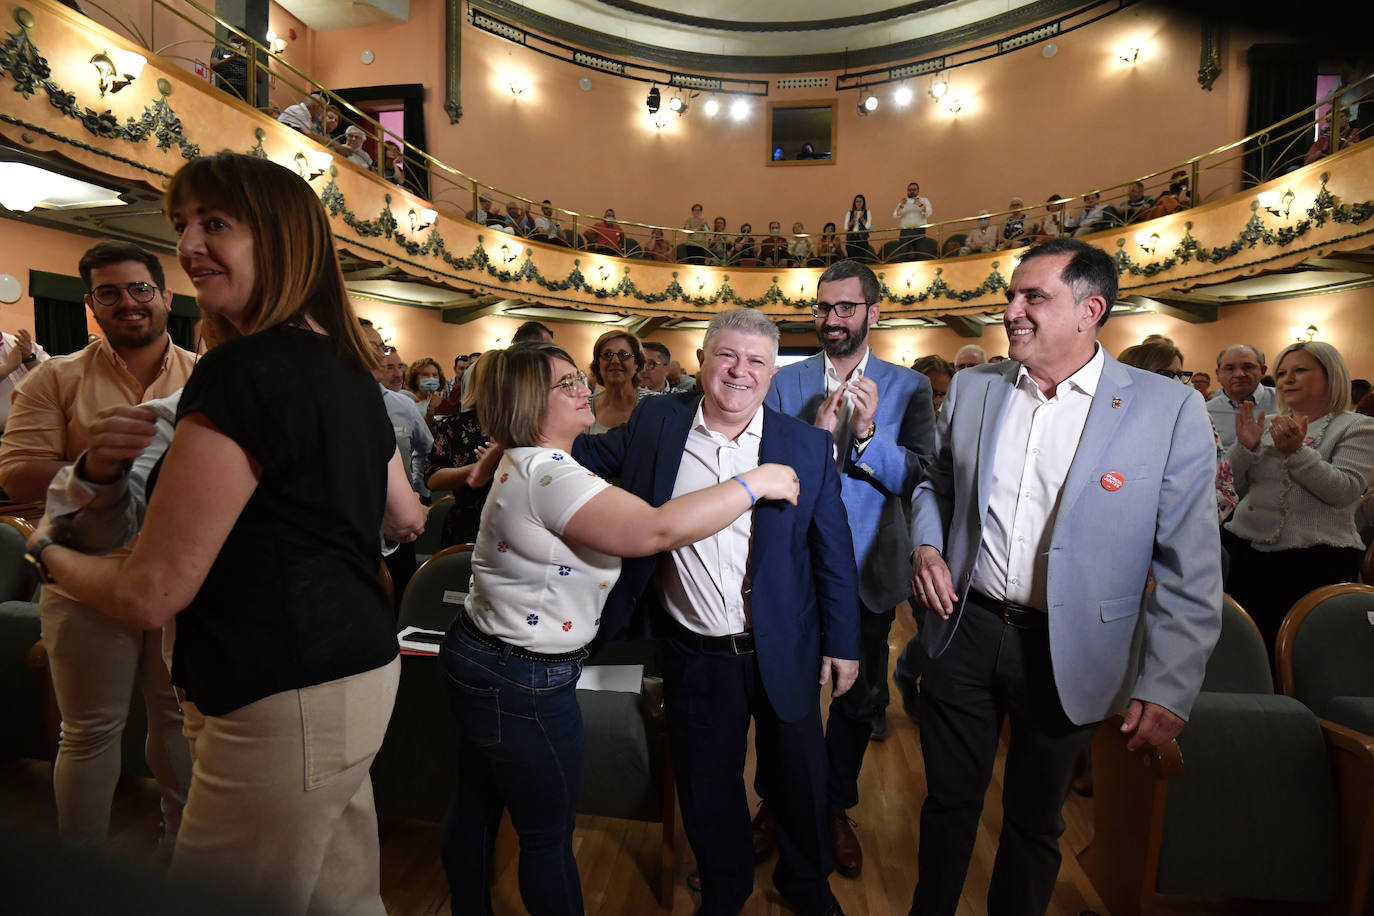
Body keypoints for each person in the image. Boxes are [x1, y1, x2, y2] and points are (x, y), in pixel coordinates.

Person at [23, 152, 427, 914]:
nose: (190, 243)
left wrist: (51, 554)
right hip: (358, 668)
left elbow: (151, 592)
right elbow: (405, 518)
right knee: (341, 898)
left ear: (280, 238)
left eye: (216, 224)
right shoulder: (348, 371)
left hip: (282, 683)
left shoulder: (241, 370)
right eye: (182, 226)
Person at [908, 238, 1222, 916]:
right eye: (1012, 295)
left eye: (1033, 297)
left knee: (1033, 820)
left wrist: (1169, 683)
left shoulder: (1166, 410)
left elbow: (1190, 564)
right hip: (966, 626)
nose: (1012, 310)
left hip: (1071, 648)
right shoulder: (974, 387)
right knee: (948, 803)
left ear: (1090, 310)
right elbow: (935, 486)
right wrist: (928, 549)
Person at [440, 342, 800, 915]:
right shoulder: (551, 476)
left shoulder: (525, 457)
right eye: (565, 386)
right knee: (545, 835)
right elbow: (655, 531)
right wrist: (754, 483)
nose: (584, 388)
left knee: (478, 799)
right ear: (532, 403)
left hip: (481, 653)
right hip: (526, 678)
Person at [572, 308, 859, 916]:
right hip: (694, 649)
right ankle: (725, 891)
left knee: (799, 781)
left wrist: (845, 642)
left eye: (757, 361)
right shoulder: (655, 422)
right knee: (707, 788)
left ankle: (806, 886)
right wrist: (507, 454)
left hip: (785, 646)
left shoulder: (806, 445)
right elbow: (579, 453)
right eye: (727, 356)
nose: (740, 372)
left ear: (771, 374)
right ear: (701, 360)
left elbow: (832, 551)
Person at [0, 240, 195, 849]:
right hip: (85, 576)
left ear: (166, 296)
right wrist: (106, 463)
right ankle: (79, 874)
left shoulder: (208, 377)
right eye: (109, 293)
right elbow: (18, 473)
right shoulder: (56, 378)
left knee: (179, 725)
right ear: (91, 306)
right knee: (86, 733)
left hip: (182, 578)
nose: (128, 303)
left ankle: (181, 858)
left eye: (140, 289)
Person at [760, 260, 935, 877]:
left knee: (858, 703)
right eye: (823, 309)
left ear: (872, 313)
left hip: (866, 570)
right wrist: (813, 436)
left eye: (845, 309)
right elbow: (759, 465)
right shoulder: (784, 381)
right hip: (792, 566)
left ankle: (834, 807)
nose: (831, 321)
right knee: (785, 693)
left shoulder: (909, 387)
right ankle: (776, 807)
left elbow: (919, 477)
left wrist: (864, 436)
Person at [1222, 341, 1374, 654]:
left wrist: (1297, 452)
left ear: (1331, 376)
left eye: (1300, 370)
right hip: (1249, 555)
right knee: (1250, 652)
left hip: (1316, 559)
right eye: (1282, 373)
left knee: (1304, 655)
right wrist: (1244, 448)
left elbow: (1344, 490)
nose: (1287, 380)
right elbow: (1230, 489)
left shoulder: (1358, 427)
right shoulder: (1267, 424)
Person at [1117, 340, 1236, 520]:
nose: (1176, 383)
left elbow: (1225, 491)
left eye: (1180, 375)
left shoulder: (1196, 419)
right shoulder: (1113, 421)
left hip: (1187, 534)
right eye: (1165, 374)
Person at [424, 354, 494, 548]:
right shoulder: (456, 425)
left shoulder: (525, 426)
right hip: (467, 526)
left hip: (517, 527)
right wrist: (482, 467)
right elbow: (433, 478)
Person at [1207, 344, 1276, 449]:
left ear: (1263, 371)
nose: (1239, 374)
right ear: (1218, 374)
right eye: (1230, 368)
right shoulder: (1206, 412)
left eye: (1248, 367)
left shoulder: (1284, 401)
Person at [588, 331, 648, 432]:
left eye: (624, 355)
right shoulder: (585, 407)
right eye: (607, 354)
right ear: (598, 364)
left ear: (636, 364)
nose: (615, 361)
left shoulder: (653, 404)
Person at [0, 327, 49, 432]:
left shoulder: (18, 343)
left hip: (35, 431)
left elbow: (52, 377)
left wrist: (29, 358)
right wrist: (8, 367)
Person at [405, 357, 447, 424]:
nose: (431, 378)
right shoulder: (406, 404)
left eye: (435, 375)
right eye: (425, 375)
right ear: (415, 379)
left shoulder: (445, 404)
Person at [893, 182, 934, 250]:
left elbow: (929, 213)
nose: (912, 191)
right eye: (909, 190)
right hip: (905, 231)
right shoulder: (903, 201)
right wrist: (901, 206)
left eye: (914, 189)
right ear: (907, 191)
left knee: (920, 252)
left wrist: (920, 205)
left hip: (919, 230)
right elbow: (895, 216)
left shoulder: (924, 200)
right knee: (903, 252)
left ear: (918, 190)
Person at [208, 32, 248, 102]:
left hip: (245, 89)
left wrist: (250, 57)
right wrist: (231, 58)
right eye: (234, 41)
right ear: (230, 38)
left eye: (239, 42)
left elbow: (259, 79)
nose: (236, 45)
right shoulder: (220, 49)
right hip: (228, 86)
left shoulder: (246, 55)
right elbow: (213, 66)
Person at [842, 194, 872, 261]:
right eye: (857, 201)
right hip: (851, 239)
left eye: (860, 201)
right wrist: (854, 219)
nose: (858, 203)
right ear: (854, 203)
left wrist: (861, 218)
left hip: (862, 240)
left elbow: (868, 227)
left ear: (863, 203)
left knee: (862, 260)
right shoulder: (849, 213)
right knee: (852, 260)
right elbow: (846, 228)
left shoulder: (867, 212)